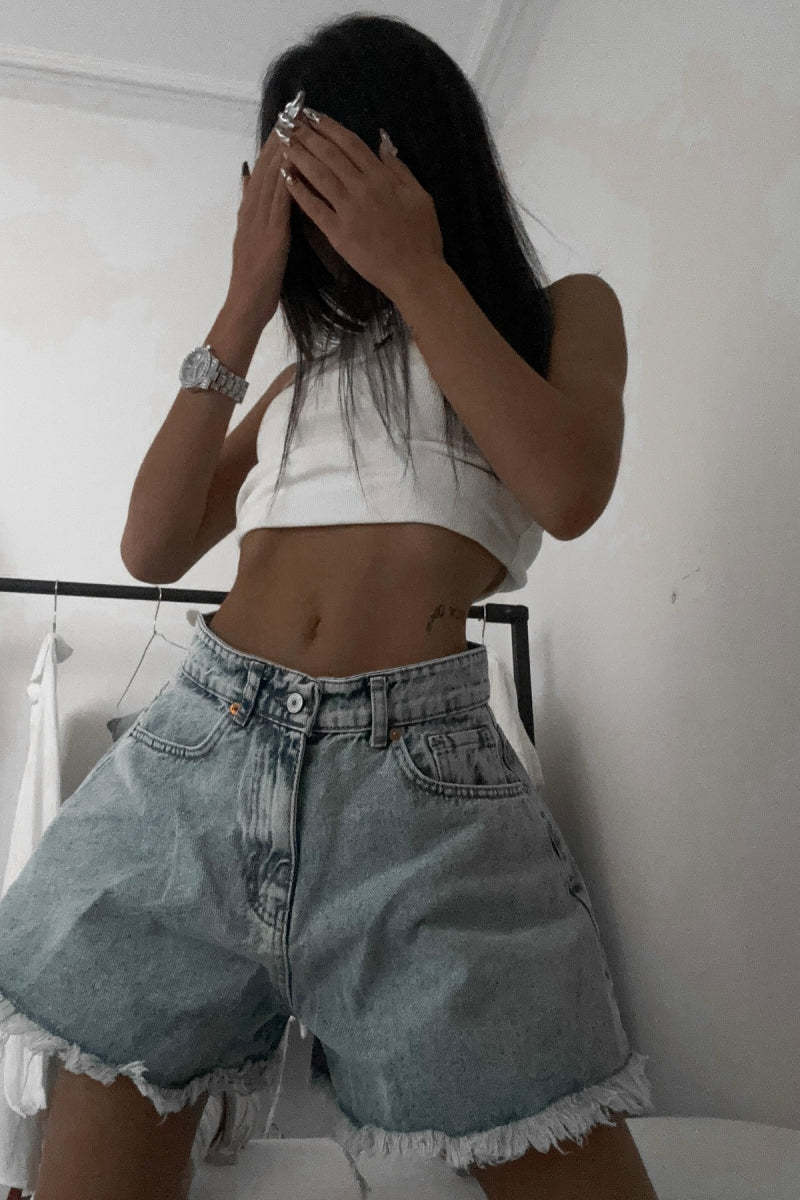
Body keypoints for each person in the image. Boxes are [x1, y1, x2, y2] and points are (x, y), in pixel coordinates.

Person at [0, 14, 658, 1200]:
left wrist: (416, 269)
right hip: (198, 754)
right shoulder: (302, 381)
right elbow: (151, 545)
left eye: (341, 181)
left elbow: (567, 489)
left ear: (422, 164)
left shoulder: (561, 314)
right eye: (298, 196)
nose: (323, 224)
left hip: (418, 784)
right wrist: (242, 302)